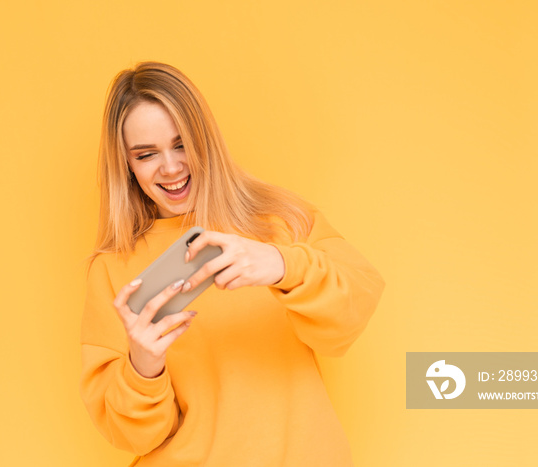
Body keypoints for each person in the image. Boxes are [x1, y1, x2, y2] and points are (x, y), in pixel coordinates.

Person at [80, 61, 385, 466]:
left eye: (182, 143)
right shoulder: (113, 268)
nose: (170, 168)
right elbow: (133, 435)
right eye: (146, 154)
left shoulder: (280, 221)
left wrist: (282, 265)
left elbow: (353, 312)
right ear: (128, 166)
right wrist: (143, 366)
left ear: (205, 139)